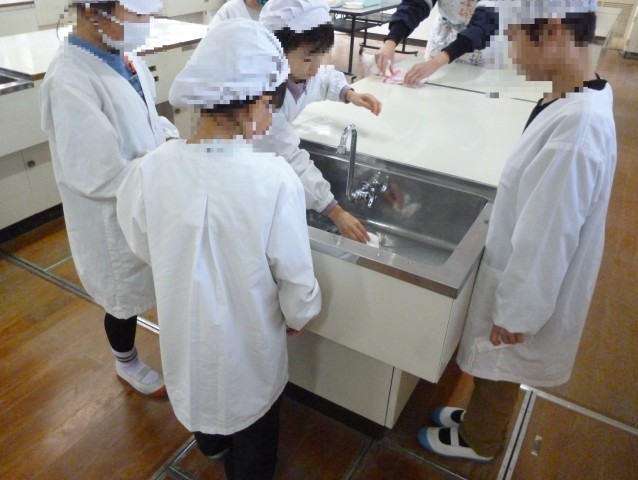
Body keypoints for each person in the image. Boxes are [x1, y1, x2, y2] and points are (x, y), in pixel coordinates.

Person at [116, 19, 322, 479]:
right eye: (270, 106)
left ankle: (210, 444)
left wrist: (183, 263)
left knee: (203, 398)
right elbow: (295, 276)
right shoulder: (273, 180)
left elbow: (141, 241)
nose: (271, 118)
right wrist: (299, 315)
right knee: (253, 428)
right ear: (253, 105)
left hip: (186, 334)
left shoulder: (150, 171)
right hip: (251, 346)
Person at [418, 0, 617, 461]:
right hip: (523, 274)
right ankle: (474, 419)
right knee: (496, 365)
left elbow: (549, 238)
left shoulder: (577, 129)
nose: (510, 52)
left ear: (551, 31)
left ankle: (481, 441)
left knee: (503, 365)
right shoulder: (571, 95)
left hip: (529, 291)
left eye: (514, 38)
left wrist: (519, 314)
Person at [39, 0, 176, 396]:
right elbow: (98, 173)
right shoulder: (68, 80)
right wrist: (169, 164)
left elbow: (146, 117)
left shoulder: (122, 55)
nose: (146, 24)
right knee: (122, 298)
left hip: (149, 193)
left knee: (155, 277)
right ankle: (125, 361)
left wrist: (170, 141)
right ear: (93, 11)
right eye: (138, 15)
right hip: (110, 212)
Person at [258, 0, 382, 243]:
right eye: (308, 60)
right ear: (276, 52)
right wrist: (333, 210)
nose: (314, 68)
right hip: (249, 177)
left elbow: (323, 79)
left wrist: (349, 94)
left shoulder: (296, 72)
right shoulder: (261, 100)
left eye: (320, 56)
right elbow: (290, 159)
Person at [375, 0, 499, 85]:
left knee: (469, 92)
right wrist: (391, 41)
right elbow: (414, 5)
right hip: (444, 34)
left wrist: (436, 62)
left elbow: (482, 26)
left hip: (479, 42)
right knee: (433, 91)